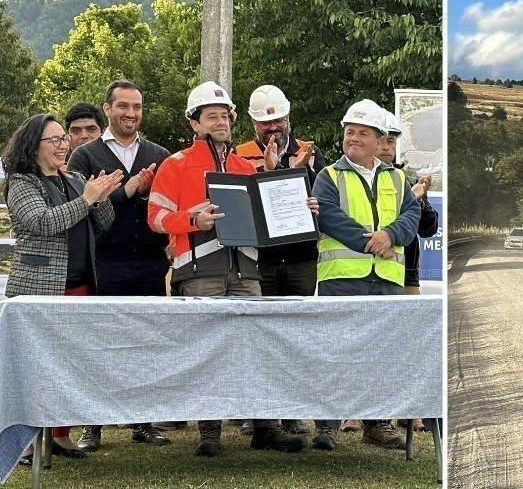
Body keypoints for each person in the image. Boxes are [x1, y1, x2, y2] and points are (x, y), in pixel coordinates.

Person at [147, 80, 312, 457]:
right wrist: (192, 219)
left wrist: (298, 205)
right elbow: (155, 217)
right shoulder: (175, 165)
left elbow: (270, 220)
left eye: (225, 115)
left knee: (257, 350)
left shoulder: (243, 166)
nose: (220, 122)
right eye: (211, 116)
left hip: (248, 274)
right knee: (207, 352)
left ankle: (265, 428)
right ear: (194, 122)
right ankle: (209, 432)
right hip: (199, 274)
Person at [2, 113, 122, 463]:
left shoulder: (73, 178)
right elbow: (42, 223)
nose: (63, 144)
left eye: (63, 139)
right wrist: (86, 199)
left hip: (81, 286)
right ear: (33, 146)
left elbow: (103, 223)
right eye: (54, 140)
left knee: (69, 365)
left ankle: (60, 435)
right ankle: (25, 441)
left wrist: (101, 197)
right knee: (33, 366)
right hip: (39, 290)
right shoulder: (22, 182)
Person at [68, 80, 173, 451]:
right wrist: (126, 191)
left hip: (149, 263)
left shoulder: (160, 154)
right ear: (107, 108)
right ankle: (92, 426)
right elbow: (83, 204)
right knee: (99, 344)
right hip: (104, 264)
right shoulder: (84, 156)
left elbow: (169, 206)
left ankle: (142, 421)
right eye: (123, 106)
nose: (131, 114)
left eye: (137, 107)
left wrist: (148, 196)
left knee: (146, 343)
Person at [313, 99, 420, 450]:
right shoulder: (328, 176)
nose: (353, 138)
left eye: (362, 133)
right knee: (334, 352)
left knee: (381, 353)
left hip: (386, 280)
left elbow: (410, 216)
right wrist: (374, 242)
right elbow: (329, 217)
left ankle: (378, 423)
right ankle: (326, 426)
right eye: (349, 132)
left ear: (379, 140)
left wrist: (391, 235)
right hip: (342, 278)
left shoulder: (398, 177)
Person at [235, 84, 328, 443]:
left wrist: (307, 185)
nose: (272, 130)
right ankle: (258, 416)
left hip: (302, 256)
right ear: (253, 124)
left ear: (288, 117)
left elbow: (323, 197)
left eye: (277, 122)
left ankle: (290, 414)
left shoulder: (310, 153)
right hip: (261, 258)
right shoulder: (241, 155)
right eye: (264, 125)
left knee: (294, 337)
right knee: (259, 336)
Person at [376, 109, 439, 434]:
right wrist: (411, 201)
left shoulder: (408, 178)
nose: (388, 147)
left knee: (408, 342)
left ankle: (410, 410)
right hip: (371, 269)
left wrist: (422, 201)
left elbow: (427, 229)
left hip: (406, 271)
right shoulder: (364, 179)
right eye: (383, 140)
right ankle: (360, 414)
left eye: (392, 141)